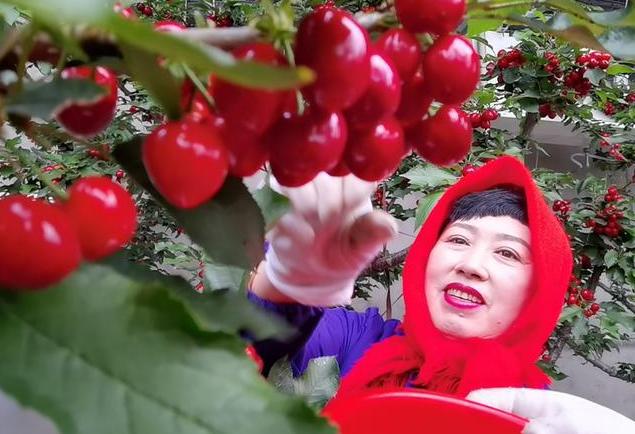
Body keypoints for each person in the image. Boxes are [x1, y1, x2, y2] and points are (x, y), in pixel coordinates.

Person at [248, 156, 635, 434]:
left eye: (507, 253)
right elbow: (253, 345)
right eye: (458, 240)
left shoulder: (542, 418)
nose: (471, 264)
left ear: (537, 293)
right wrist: (291, 280)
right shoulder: (356, 338)